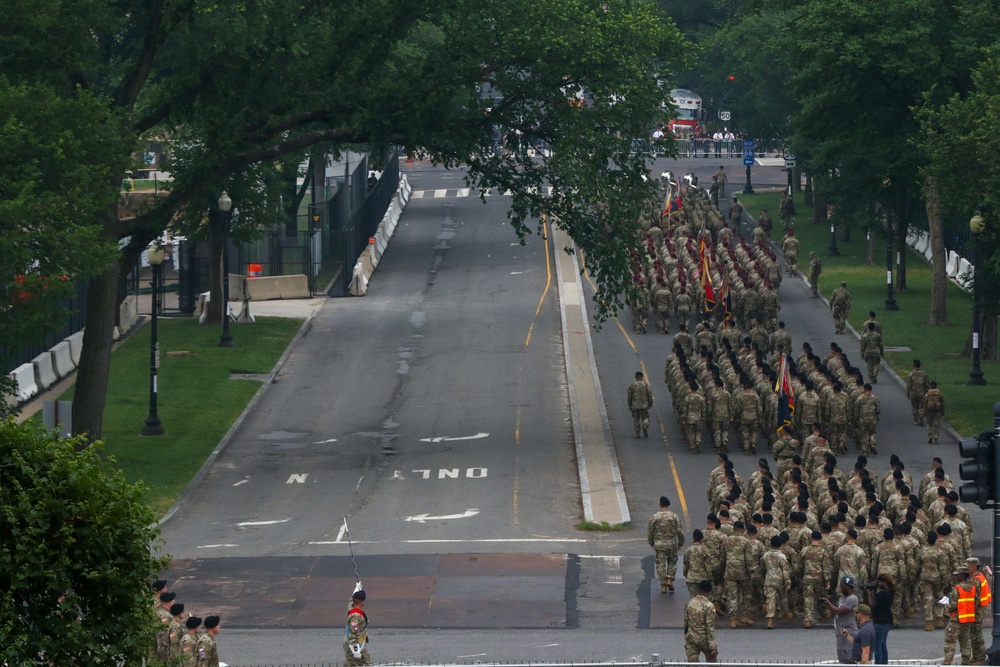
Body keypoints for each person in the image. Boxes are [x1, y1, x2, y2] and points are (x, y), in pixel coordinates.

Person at [649, 495, 685, 593]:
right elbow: (679, 531)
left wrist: (652, 543)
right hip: (671, 543)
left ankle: (663, 585)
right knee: (672, 562)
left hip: (659, 544)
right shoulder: (674, 516)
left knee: (661, 564)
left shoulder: (655, 517)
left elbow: (650, 532)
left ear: (660, 505)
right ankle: (670, 579)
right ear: (668, 505)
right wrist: (680, 543)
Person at [944, 568, 978, 665]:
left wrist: (946, 608)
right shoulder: (973, 588)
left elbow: (953, 605)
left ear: (963, 575)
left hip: (956, 619)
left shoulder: (957, 589)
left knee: (950, 641)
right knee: (965, 641)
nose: (956, 576)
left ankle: (947, 663)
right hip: (968, 618)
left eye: (957, 575)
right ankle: (966, 662)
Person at [825, 576, 859, 662]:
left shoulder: (852, 598)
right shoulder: (842, 597)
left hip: (849, 632)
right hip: (841, 632)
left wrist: (829, 604)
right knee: (842, 659)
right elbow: (837, 608)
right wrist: (831, 602)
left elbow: (840, 611)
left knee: (849, 659)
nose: (840, 588)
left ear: (848, 587)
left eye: (842, 586)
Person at [685, 580, 719, 663]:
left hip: (691, 638)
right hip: (704, 640)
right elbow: (709, 627)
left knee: (692, 663)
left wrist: (687, 638)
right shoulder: (709, 606)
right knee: (712, 663)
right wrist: (712, 646)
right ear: (709, 592)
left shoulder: (690, 603)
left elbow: (686, 623)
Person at [866, 573, 895, 664]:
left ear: (884, 582)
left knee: (877, 646)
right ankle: (884, 663)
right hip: (887, 621)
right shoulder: (890, 591)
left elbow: (872, 605)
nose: (878, 584)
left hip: (880, 622)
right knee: (882, 645)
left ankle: (879, 664)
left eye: (879, 582)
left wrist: (869, 593)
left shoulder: (882, 593)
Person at [968, 557, 992, 664]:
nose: (967, 567)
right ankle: (976, 656)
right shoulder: (978, 576)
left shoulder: (976, 579)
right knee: (974, 633)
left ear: (973, 567)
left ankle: (980, 657)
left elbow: (975, 598)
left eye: (968, 565)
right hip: (980, 608)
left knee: (976, 633)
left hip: (977, 609)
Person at [344, 589, 372, 666]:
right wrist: (356, 651)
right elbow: (354, 633)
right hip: (356, 647)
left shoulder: (351, 609)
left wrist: (357, 588)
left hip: (355, 645)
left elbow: (351, 602)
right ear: (362, 602)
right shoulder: (356, 617)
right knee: (365, 664)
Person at [628, 371, 653, 438]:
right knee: (645, 418)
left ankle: (637, 433)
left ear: (635, 377)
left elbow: (629, 396)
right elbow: (650, 395)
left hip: (635, 405)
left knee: (636, 419)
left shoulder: (632, 386)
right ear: (642, 377)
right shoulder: (646, 385)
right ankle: (645, 425)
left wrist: (629, 404)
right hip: (644, 406)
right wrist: (650, 404)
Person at [906, 360, 929, 426]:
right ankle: (920, 417)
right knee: (921, 406)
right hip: (922, 393)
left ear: (914, 365)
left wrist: (908, 392)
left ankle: (916, 421)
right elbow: (927, 384)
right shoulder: (924, 374)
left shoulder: (911, 374)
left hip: (914, 393)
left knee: (915, 407)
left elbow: (909, 385)